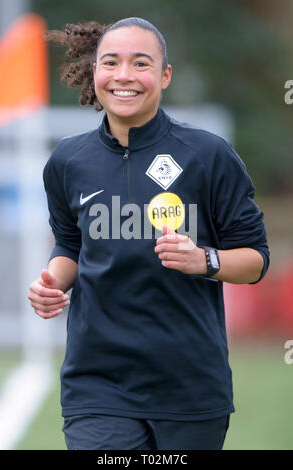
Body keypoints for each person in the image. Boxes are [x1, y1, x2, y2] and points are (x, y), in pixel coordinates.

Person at [27, 17, 270, 450]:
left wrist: (205, 261)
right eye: (111, 63)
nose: (124, 76)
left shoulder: (208, 155)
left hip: (189, 387)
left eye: (141, 63)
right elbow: (70, 245)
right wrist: (53, 281)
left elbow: (255, 260)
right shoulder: (68, 160)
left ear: (164, 75)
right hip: (96, 384)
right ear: (95, 72)